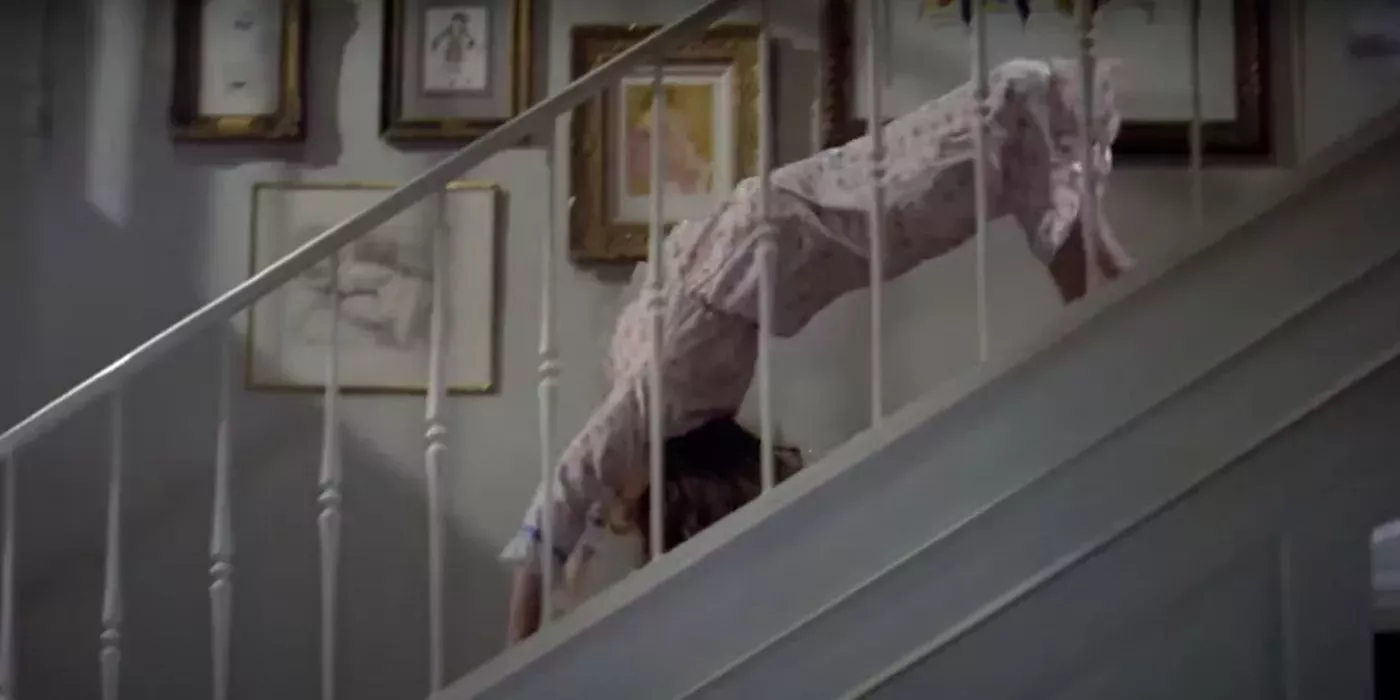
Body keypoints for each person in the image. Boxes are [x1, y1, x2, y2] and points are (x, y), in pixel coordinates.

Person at [502, 57, 1133, 644]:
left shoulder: (646, 406)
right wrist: (570, 578)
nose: (617, 501)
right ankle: (1101, 270)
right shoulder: (672, 410)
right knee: (915, 191)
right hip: (752, 243)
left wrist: (517, 654)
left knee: (916, 198)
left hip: (751, 248)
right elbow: (579, 512)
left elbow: (559, 502)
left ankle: (1022, 111)